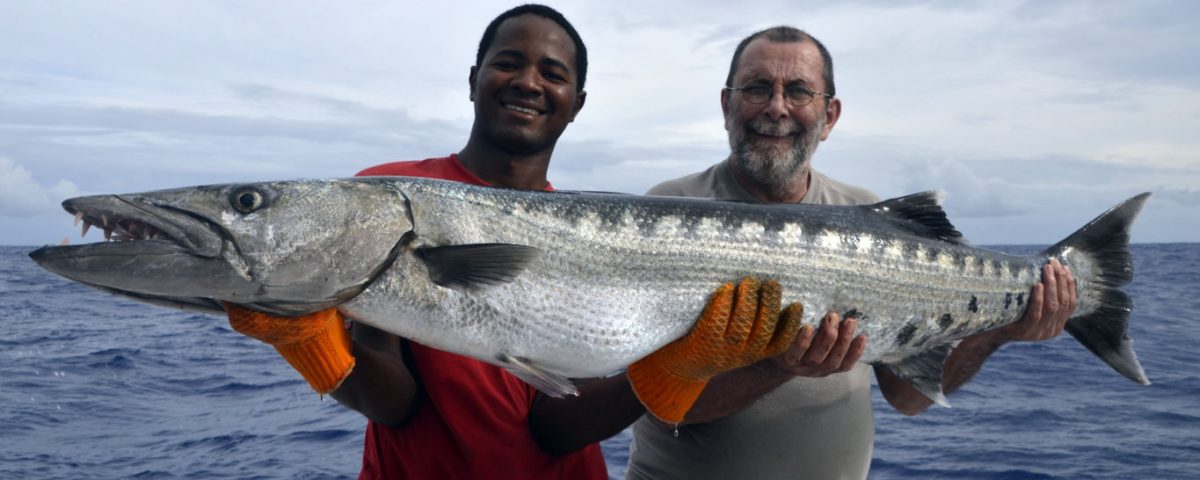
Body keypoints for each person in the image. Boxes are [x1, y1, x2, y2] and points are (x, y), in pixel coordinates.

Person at [222, 5, 799, 479]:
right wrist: (303, 338)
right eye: (508, 63)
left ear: (577, 103)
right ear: (474, 78)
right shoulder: (388, 194)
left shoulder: (592, 234)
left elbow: (558, 427)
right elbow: (392, 403)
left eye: (553, 73)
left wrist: (678, 366)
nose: (528, 82)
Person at [626, 26, 1079, 480]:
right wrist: (779, 367)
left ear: (830, 115)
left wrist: (994, 333)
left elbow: (908, 396)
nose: (776, 107)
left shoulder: (867, 212)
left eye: (799, 91)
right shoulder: (665, 209)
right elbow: (664, 405)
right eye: (757, 87)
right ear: (727, 105)